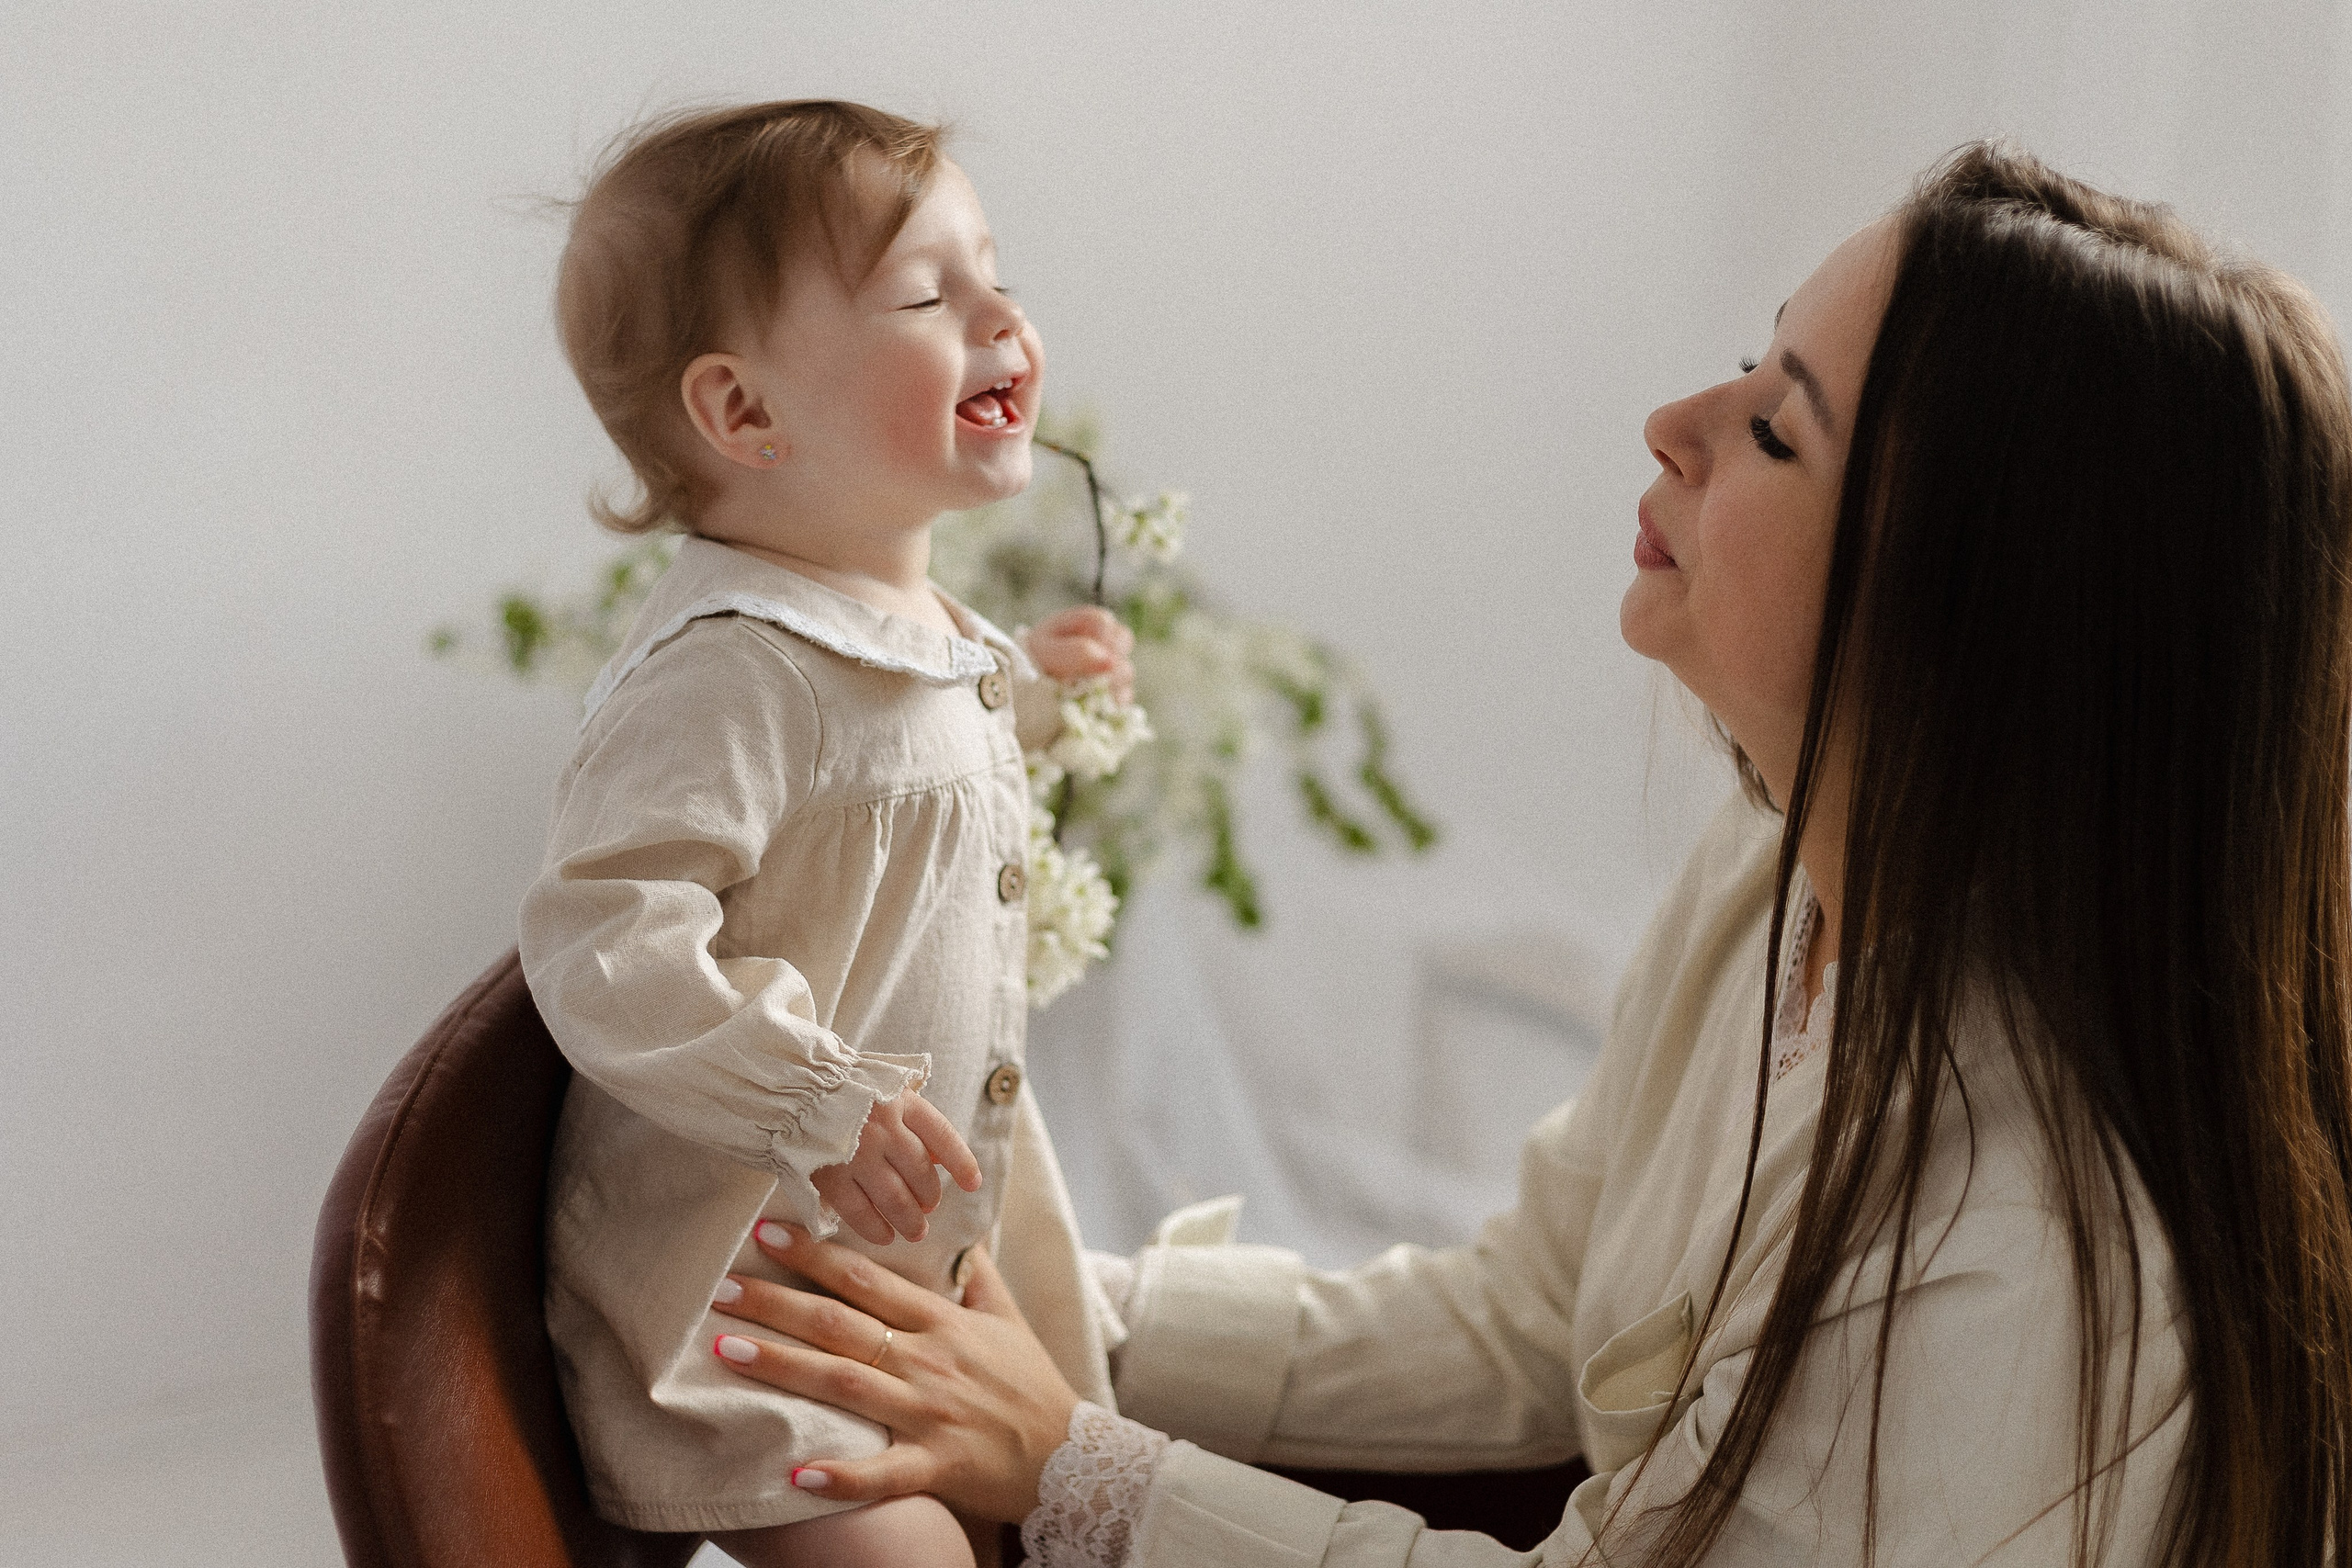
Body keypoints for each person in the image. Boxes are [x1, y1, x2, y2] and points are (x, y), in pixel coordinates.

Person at [703, 141, 2352, 1565]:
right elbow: (1536, 1318)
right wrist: (1049, 1304)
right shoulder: (1776, 871)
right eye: (1747, 363)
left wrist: (1078, 1468)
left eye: (1780, 433)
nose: (1673, 425)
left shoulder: (2036, 1245)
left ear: (1976, 626)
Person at [517, 101, 1137, 1568]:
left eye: (995, 272)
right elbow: (604, 934)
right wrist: (810, 1097)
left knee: (1038, 1513)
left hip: (896, 1266)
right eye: (932, 295)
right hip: (760, 1302)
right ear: (743, 415)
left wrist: (1036, 697)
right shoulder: (734, 668)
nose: (1002, 317)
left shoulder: (894, 621)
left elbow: (892, 780)